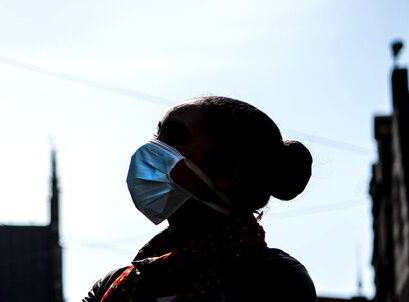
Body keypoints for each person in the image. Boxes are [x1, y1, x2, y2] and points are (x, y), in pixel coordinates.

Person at [83, 96, 316, 302]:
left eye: (174, 137)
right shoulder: (114, 284)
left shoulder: (272, 278)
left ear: (226, 172)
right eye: (157, 135)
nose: (152, 150)